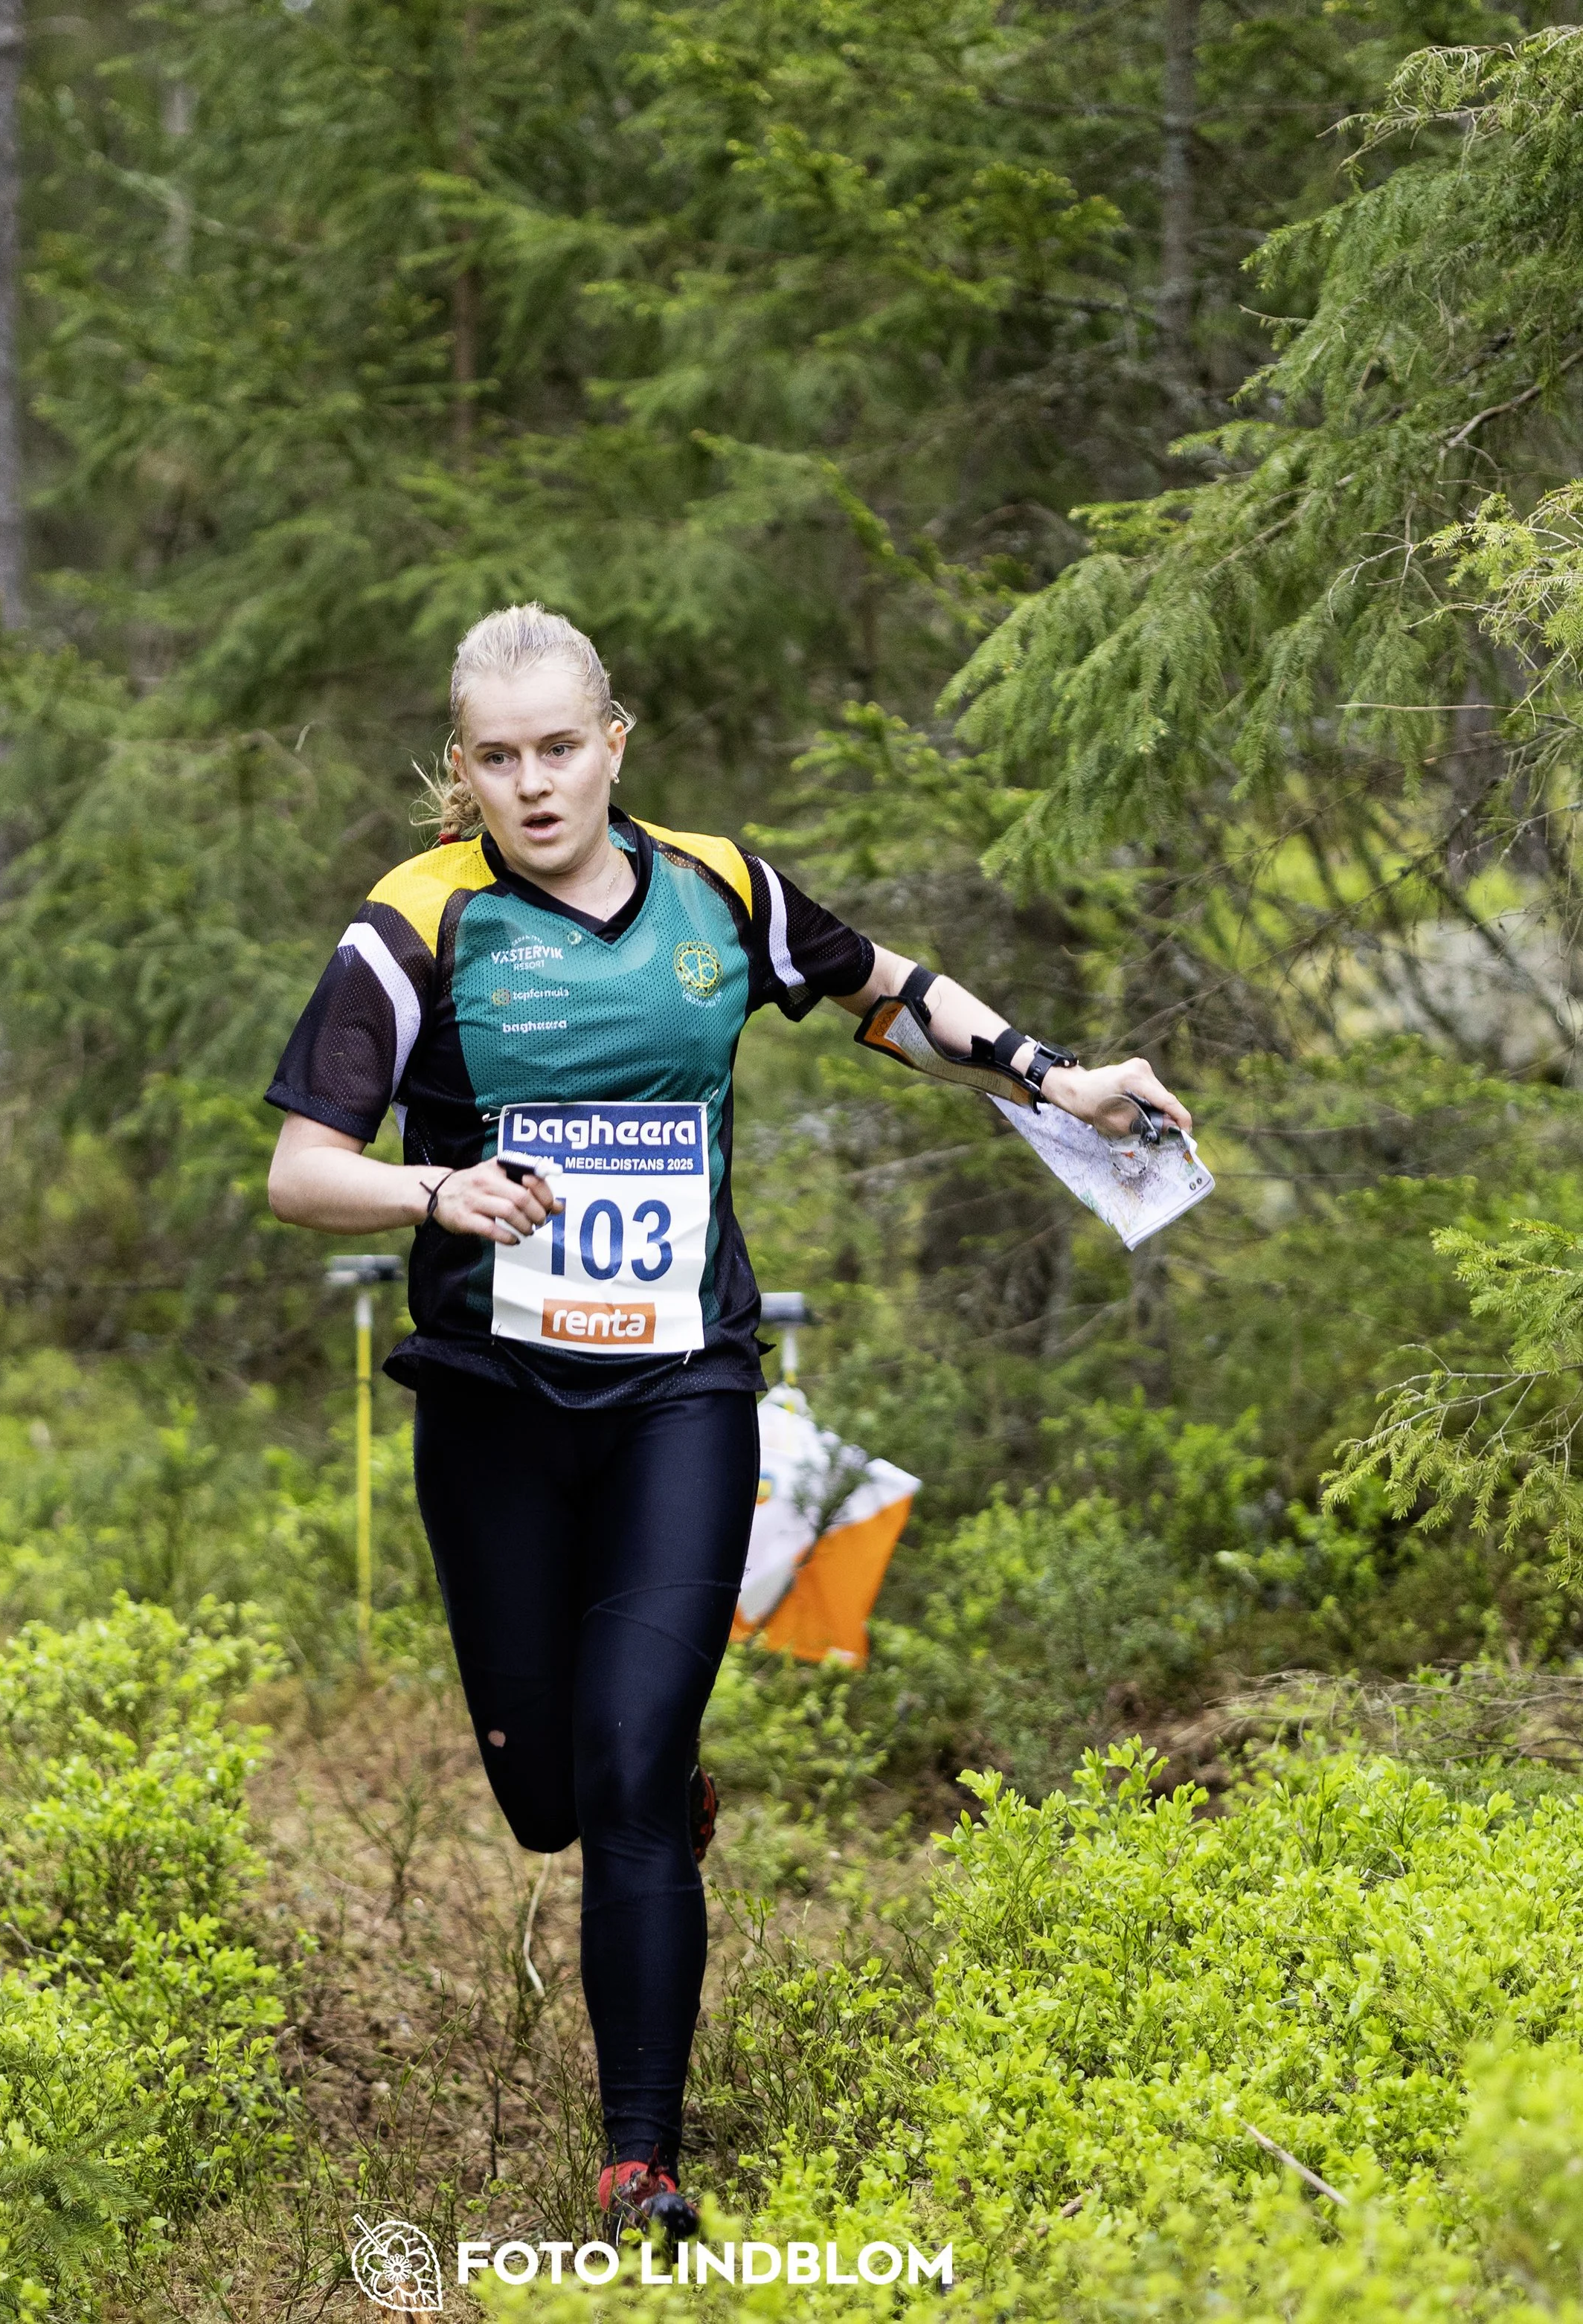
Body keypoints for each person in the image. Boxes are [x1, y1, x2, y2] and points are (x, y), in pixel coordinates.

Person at [263, 604, 1190, 2242]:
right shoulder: (414, 924)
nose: (534, 783)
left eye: (562, 746)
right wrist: (433, 1184)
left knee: (626, 1766)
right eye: (499, 755)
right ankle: (631, 1785)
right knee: (545, 1791)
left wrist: (1062, 1075)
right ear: (460, 768)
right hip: (489, 1400)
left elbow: (889, 994)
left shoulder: (719, 890)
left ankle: (638, 2159)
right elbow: (299, 1170)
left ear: (614, 743)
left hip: (682, 1384)